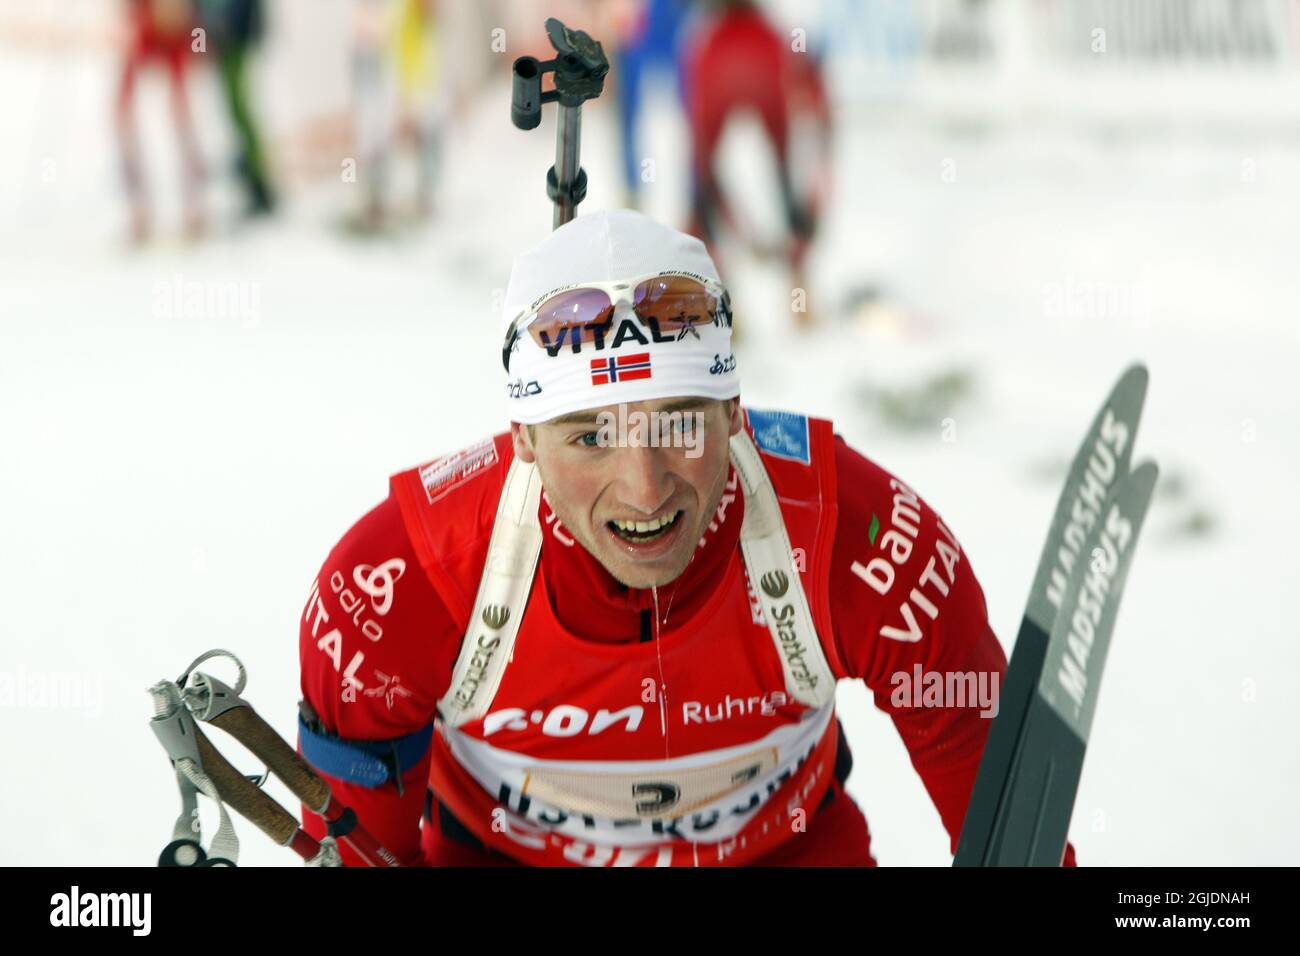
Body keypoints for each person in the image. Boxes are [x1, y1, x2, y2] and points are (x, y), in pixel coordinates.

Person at [296, 208, 1078, 867]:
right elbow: (358, 851)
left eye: (678, 422)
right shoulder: (402, 578)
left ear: (736, 408)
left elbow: (998, 805)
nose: (644, 489)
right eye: (591, 437)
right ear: (523, 439)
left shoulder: (857, 540)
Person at [680, 0, 831, 328]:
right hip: (762, 48)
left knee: (702, 180)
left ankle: (722, 310)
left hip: (718, 51)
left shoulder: (705, 39)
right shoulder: (776, 36)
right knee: (785, 174)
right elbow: (819, 112)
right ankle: (800, 298)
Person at [116, 0, 206, 242]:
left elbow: (199, 26)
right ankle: (139, 208)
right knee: (124, 114)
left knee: (187, 111)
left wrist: (200, 40)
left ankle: (195, 205)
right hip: (146, 26)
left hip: (184, 29)